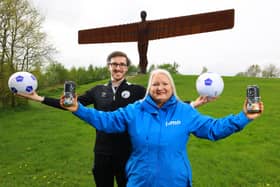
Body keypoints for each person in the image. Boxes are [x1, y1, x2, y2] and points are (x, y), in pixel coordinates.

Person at [17, 51, 213, 187]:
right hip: (102, 152)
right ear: (109, 67)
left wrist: (193, 104)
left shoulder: (137, 91)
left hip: (127, 153)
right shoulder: (97, 90)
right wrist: (38, 98)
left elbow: (162, 99)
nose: (118, 67)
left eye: (122, 64)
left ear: (126, 68)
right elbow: (71, 105)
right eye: (114, 64)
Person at [61, 69, 264, 187]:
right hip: (140, 181)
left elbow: (213, 129)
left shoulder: (185, 112)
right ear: (149, 88)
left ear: (172, 87)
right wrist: (78, 108)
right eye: (155, 84)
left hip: (175, 181)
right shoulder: (135, 110)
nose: (160, 88)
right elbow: (105, 120)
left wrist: (244, 117)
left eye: (165, 84)